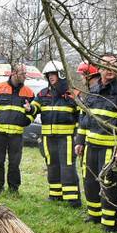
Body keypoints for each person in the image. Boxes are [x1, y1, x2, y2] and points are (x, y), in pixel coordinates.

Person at [74, 54, 117, 232]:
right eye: (105, 66)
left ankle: (110, 224)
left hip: (112, 149)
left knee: (109, 184)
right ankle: (94, 215)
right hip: (91, 147)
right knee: (90, 182)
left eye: (113, 65)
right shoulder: (93, 91)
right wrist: (80, 140)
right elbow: (84, 118)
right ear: (98, 68)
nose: (110, 69)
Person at [31, 61, 81, 207]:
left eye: (53, 74)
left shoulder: (73, 95)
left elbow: (81, 117)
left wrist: (78, 136)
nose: (50, 77)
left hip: (67, 138)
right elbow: (35, 108)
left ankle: (72, 200)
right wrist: (29, 109)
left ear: (61, 74)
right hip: (48, 138)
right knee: (52, 165)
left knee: (67, 167)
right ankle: (55, 195)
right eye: (48, 75)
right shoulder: (42, 94)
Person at [0, 64, 35, 194]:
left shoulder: (29, 92)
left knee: (15, 163)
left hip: (17, 134)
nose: (25, 76)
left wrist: (26, 121)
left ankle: (14, 189)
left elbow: (34, 111)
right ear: (14, 73)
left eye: (25, 73)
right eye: (23, 74)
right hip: (0, 132)